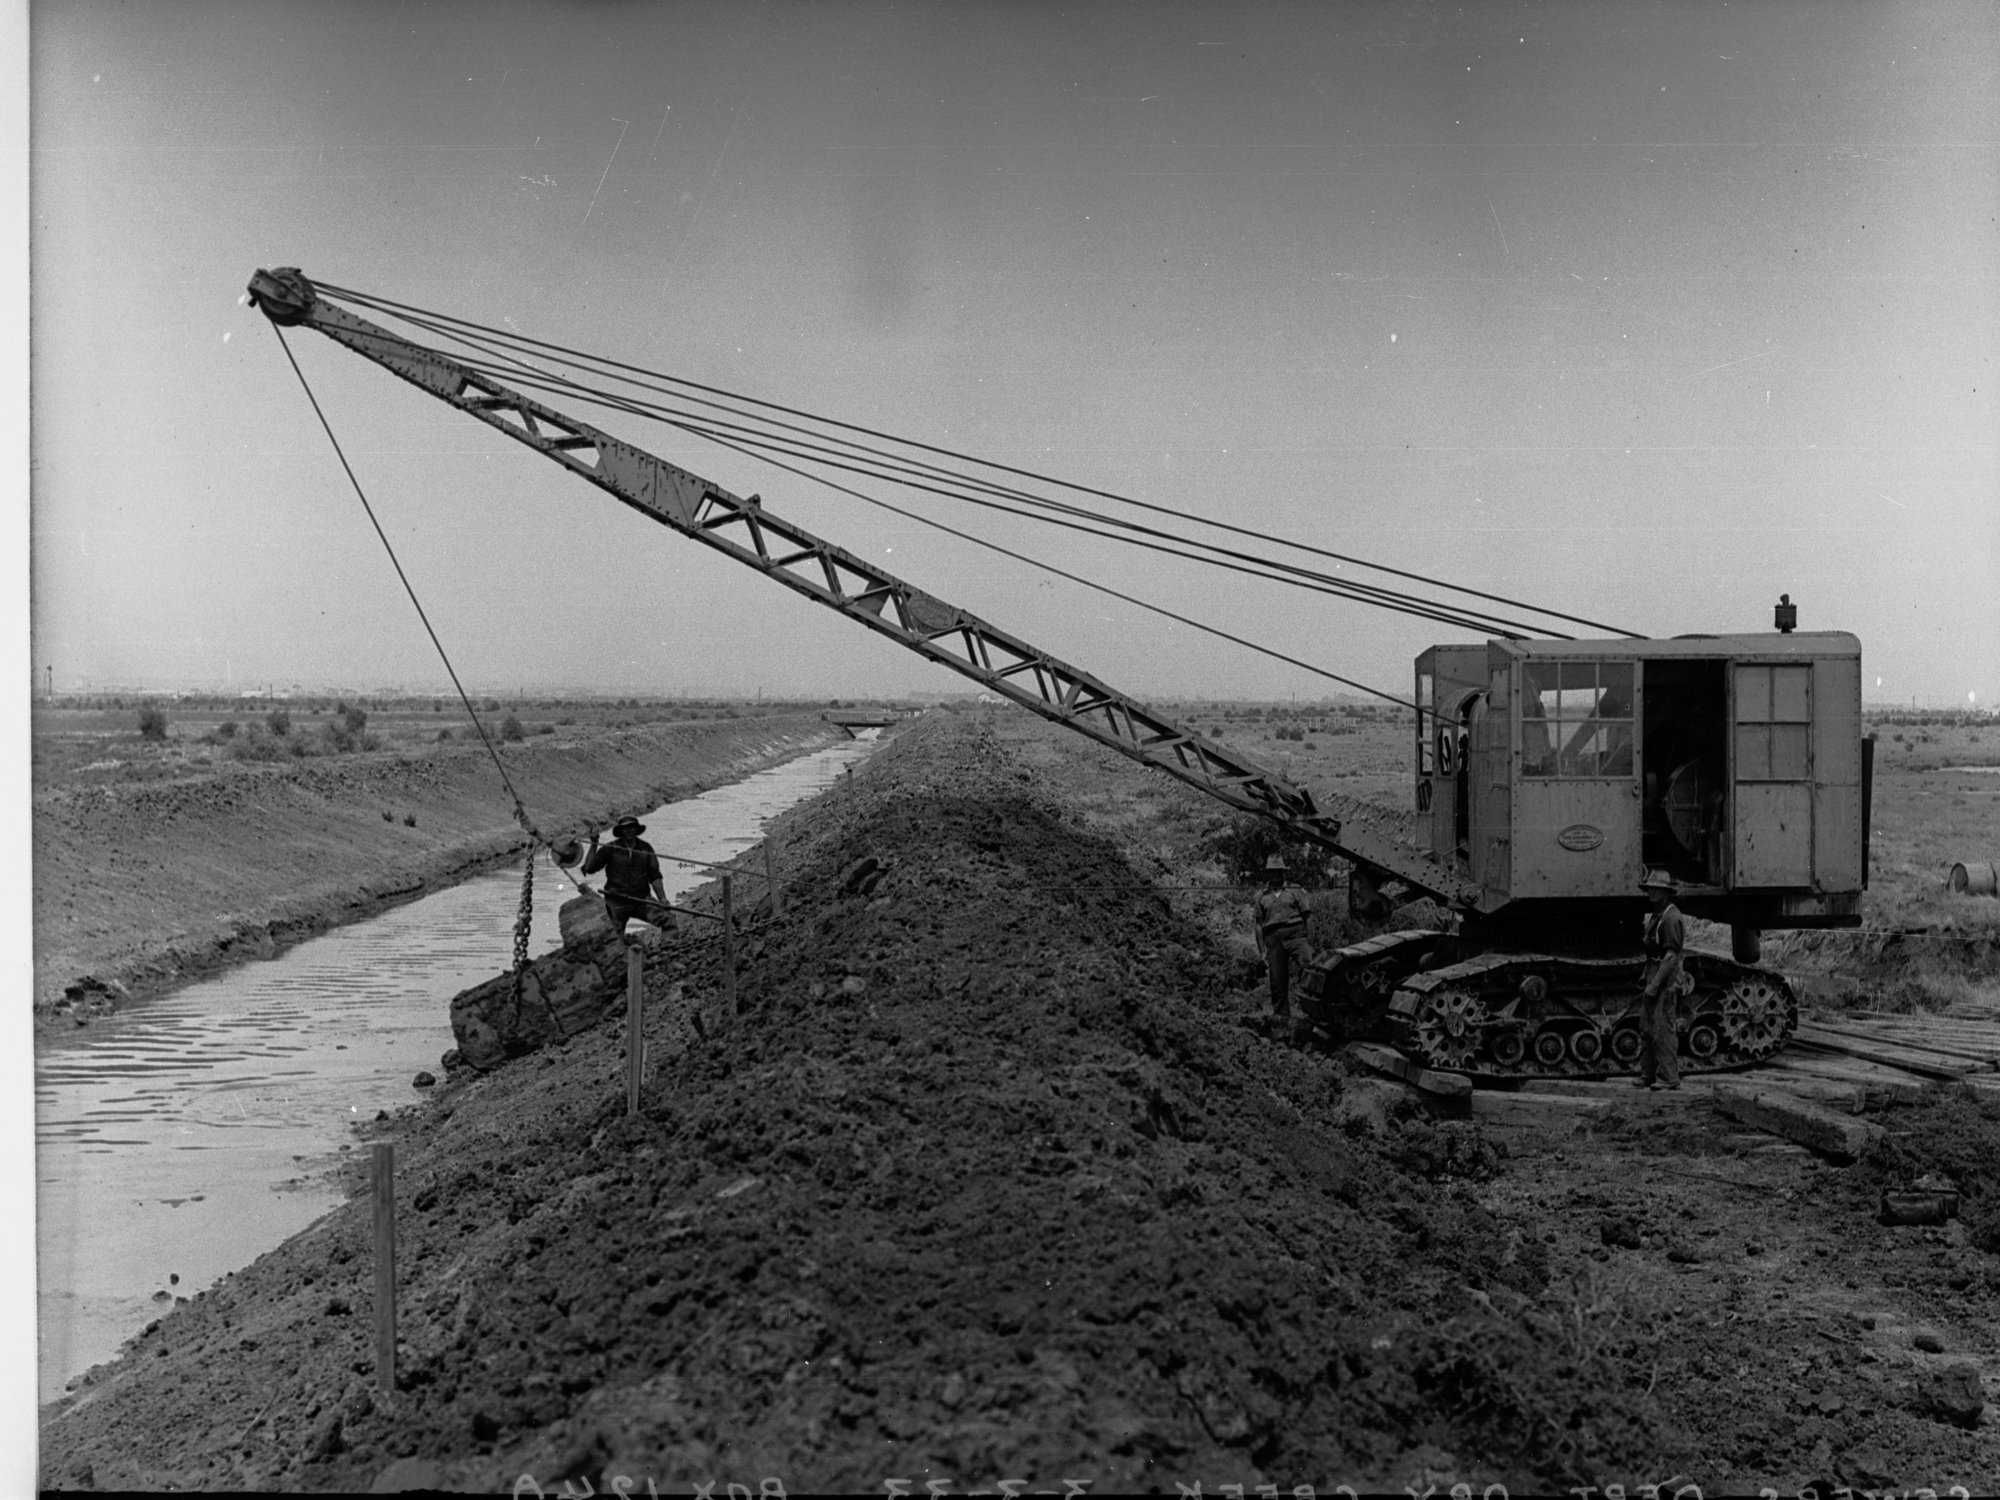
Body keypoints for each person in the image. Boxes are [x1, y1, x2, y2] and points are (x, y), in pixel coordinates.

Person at [1633, 870, 1686, 1090]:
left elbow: (1671, 956)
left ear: (1666, 893)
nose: (1652, 892)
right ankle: (1648, 1073)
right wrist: (1647, 978)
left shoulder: (1671, 917)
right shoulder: (1657, 915)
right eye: (1650, 888)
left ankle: (1668, 1077)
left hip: (1666, 975)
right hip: (1654, 970)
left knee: (1662, 1028)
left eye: (1657, 889)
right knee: (1646, 1026)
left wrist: (1655, 984)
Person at [582, 815, 668, 938]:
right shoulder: (610, 849)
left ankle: (667, 952)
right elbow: (589, 868)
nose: (630, 830)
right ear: (621, 831)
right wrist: (594, 843)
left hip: (641, 900)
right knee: (613, 936)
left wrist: (662, 899)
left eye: (632, 827)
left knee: (669, 921)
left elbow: (655, 876)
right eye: (626, 828)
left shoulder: (646, 848)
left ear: (637, 830)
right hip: (616, 901)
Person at [1253, 853, 1313, 1026]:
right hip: (1273, 940)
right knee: (1277, 982)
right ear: (1268, 874)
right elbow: (1258, 924)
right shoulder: (1260, 896)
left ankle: (1313, 1015)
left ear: (1283, 872)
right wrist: (1261, 951)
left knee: (1311, 969)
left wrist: (1310, 945)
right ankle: (1282, 1021)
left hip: (1296, 936)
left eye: (1278, 871)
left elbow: (1308, 918)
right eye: (1272, 872)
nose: (1276, 875)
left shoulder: (1296, 891)